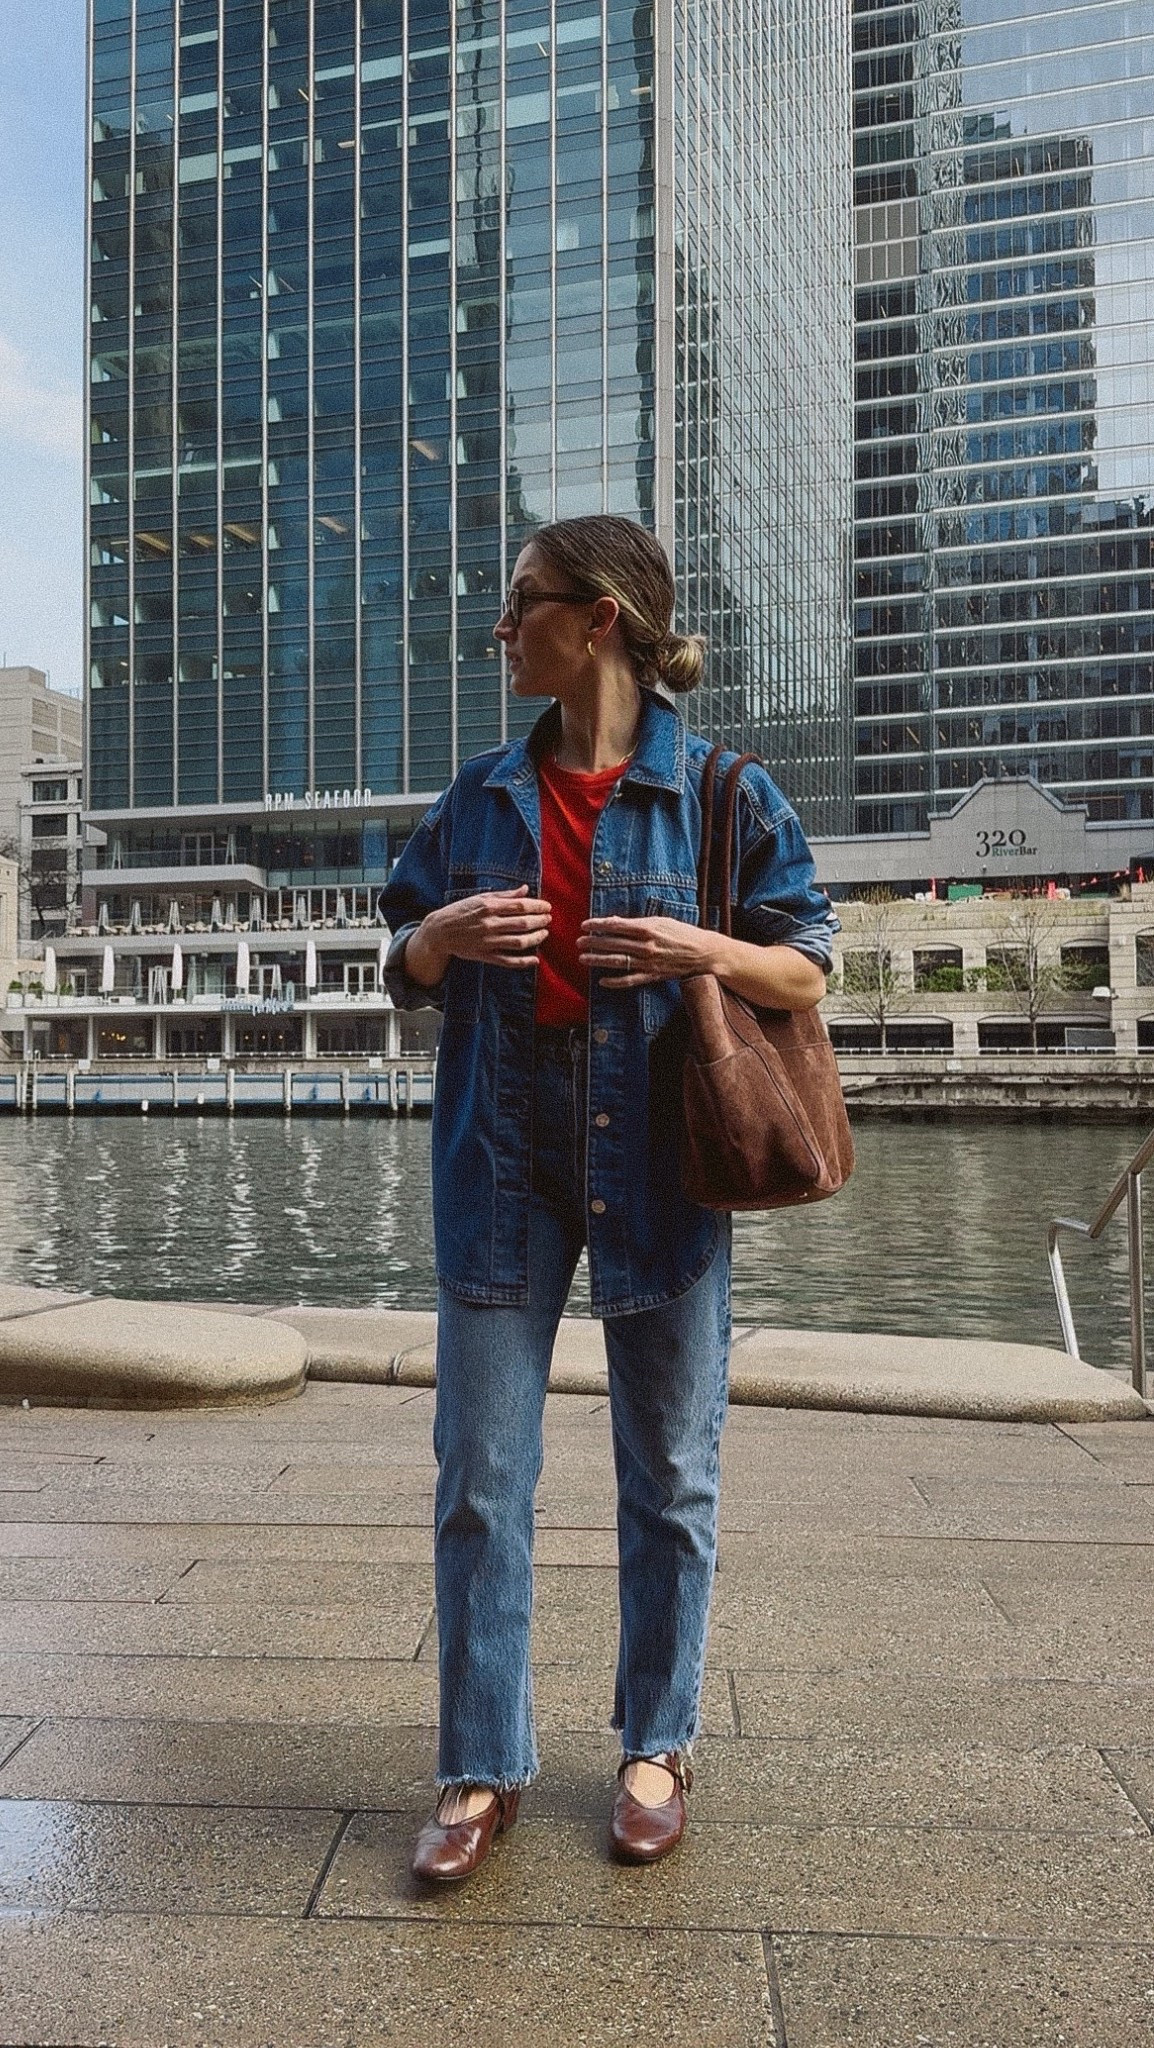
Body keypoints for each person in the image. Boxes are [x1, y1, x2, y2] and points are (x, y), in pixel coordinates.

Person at [381, 514, 837, 1882]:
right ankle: (479, 1771)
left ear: (596, 622)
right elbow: (396, 957)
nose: (498, 629)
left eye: (517, 604)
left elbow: (807, 966)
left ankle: (655, 1743)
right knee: (480, 1480)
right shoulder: (477, 799)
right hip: (501, 1159)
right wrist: (438, 938)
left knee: (673, 1478)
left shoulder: (723, 795)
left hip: (660, 1152)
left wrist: (704, 944)